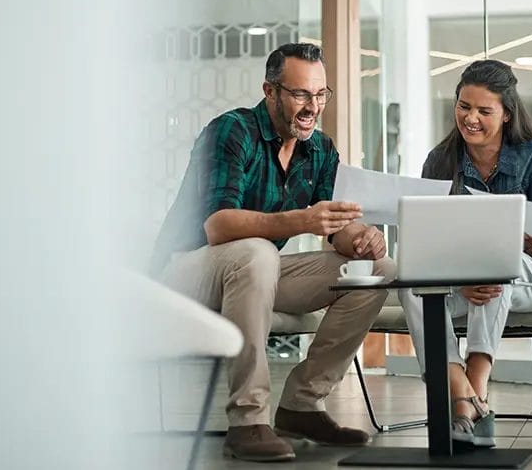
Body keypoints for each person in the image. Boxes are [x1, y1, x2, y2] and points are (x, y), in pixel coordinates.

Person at [151, 42, 396, 462]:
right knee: (257, 252)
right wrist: (305, 219)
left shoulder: (320, 149)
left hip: (252, 271)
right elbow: (218, 226)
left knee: (377, 268)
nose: (312, 107)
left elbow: (331, 226)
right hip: (186, 272)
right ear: (270, 91)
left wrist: (360, 237)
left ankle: (302, 404)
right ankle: (247, 420)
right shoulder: (231, 131)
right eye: (301, 94)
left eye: (320, 95)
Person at [399, 59, 532, 447]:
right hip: (468, 278)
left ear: (507, 113)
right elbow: (431, 237)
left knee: (493, 264)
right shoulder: (440, 159)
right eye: (464, 107)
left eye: (484, 110)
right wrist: (460, 278)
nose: (471, 118)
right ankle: (463, 394)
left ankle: (471, 392)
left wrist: (530, 242)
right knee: (411, 285)